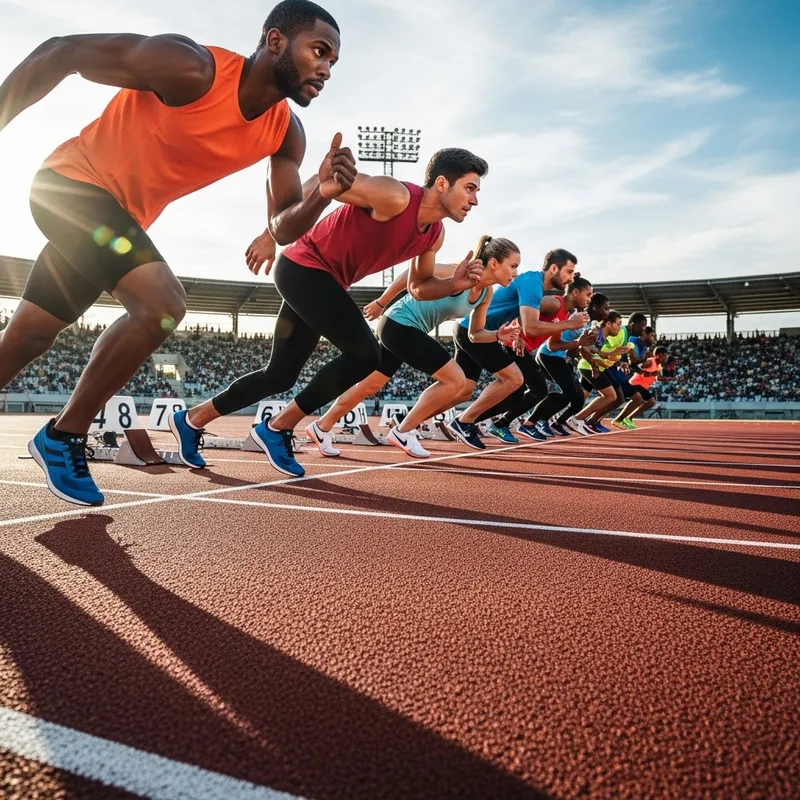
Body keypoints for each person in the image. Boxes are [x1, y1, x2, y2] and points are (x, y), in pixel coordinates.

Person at [0, 0, 352, 506]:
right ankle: (62, 436)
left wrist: (322, 194)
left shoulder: (285, 132)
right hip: (70, 187)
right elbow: (62, 51)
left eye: (333, 61)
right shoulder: (192, 69)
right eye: (319, 51)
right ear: (275, 40)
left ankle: (59, 434)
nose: (326, 69)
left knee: (27, 336)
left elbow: (282, 226)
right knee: (162, 304)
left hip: (118, 223)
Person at [175, 148, 490, 475]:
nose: (475, 200)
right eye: (470, 188)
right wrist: (272, 232)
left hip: (325, 280)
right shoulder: (396, 197)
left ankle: (191, 419)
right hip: (303, 266)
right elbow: (320, 182)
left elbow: (419, 288)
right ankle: (278, 427)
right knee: (365, 355)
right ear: (442, 183)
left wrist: (453, 285)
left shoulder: (434, 235)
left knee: (280, 375)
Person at [308, 236, 520, 459]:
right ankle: (403, 431)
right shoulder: (457, 270)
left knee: (370, 384)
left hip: (407, 329)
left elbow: (474, 334)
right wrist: (381, 302)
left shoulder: (486, 293)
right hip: (398, 323)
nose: (515, 273)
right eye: (513, 266)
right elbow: (410, 274)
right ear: (494, 263)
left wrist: (497, 335)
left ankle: (321, 427)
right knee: (455, 380)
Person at [446, 249, 589, 450]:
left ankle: (416, 423)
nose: (571, 278)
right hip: (475, 331)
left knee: (462, 390)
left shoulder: (536, 286)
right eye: (569, 272)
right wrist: (569, 324)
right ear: (554, 268)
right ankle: (465, 422)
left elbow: (520, 312)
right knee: (514, 380)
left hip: (480, 331)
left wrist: (517, 332)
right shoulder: (534, 284)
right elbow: (531, 327)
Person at [489, 275, 596, 442]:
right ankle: (497, 423)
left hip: (523, 350)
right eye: (588, 294)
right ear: (575, 292)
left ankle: (496, 422)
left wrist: (578, 342)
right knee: (536, 390)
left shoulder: (566, 316)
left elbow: (553, 345)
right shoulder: (554, 303)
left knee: (532, 390)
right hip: (512, 345)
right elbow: (520, 309)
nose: (589, 299)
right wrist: (516, 333)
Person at [570, 312, 631, 435]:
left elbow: (597, 353)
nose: (620, 328)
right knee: (610, 396)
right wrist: (594, 366)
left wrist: (613, 354)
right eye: (618, 324)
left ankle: (570, 419)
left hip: (593, 366)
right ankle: (577, 419)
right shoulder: (596, 333)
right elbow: (583, 349)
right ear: (608, 323)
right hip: (586, 366)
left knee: (584, 396)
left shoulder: (603, 337)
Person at [617, 346, 670, 425]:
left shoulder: (659, 365)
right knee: (651, 401)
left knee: (643, 402)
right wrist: (650, 373)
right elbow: (636, 367)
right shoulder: (650, 362)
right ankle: (625, 419)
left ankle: (626, 419)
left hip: (643, 386)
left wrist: (668, 378)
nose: (666, 358)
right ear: (658, 355)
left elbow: (657, 377)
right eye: (664, 355)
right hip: (636, 383)